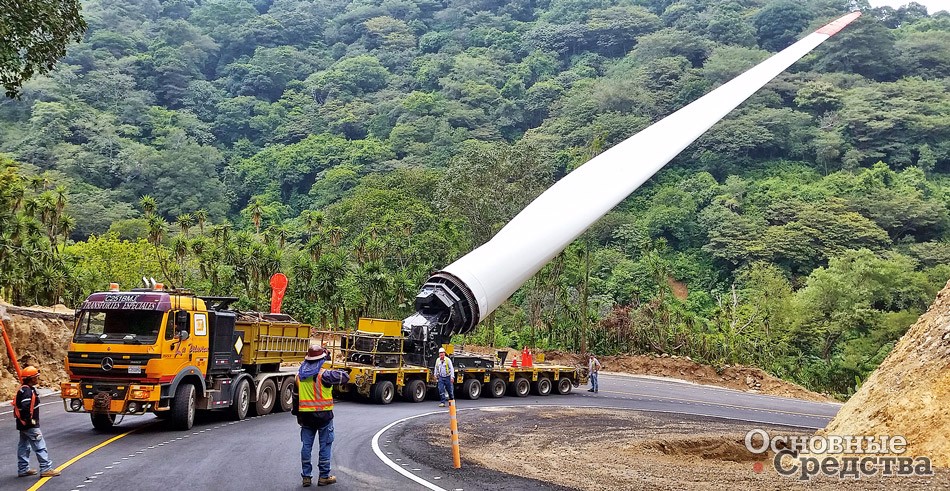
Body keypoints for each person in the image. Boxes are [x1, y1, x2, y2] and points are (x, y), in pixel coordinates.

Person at [294, 344, 349, 487]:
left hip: (306, 417)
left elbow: (295, 398)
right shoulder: (325, 375)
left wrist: (298, 416)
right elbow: (345, 377)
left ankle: (306, 477)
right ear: (321, 360)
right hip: (324, 417)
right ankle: (324, 476)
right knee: (325, 445)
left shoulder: (299, 376)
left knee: (306, 446)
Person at [13, 366, 60, 478]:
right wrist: (30, 421)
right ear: (31, 378)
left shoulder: (23, 389)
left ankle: (23, 469)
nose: (37, 379)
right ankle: (46, 468)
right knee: (40, 445)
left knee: (24, 446)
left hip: (22, 424)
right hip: (29, 424)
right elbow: (25, 407)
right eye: (36, 377)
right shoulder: (27, 391)